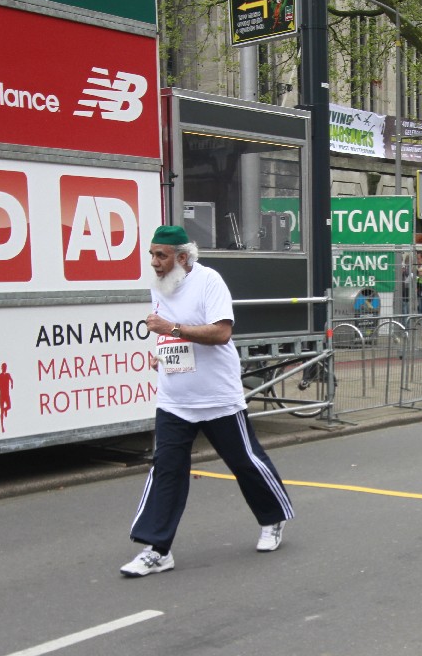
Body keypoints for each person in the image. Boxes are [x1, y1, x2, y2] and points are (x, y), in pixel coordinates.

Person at [120, 225, 294, 577]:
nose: (154, 262)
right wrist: (161, 354)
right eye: (152, 254)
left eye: (161, 255)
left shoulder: (209, 281)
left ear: (183, 257)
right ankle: (157, 549)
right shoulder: (159, 286)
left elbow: (221, 332)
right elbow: (168, 335)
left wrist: (171, 329)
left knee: (244, 462)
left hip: (217, 397)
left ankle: (273, 518)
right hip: (174, 399)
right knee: (166, 469)